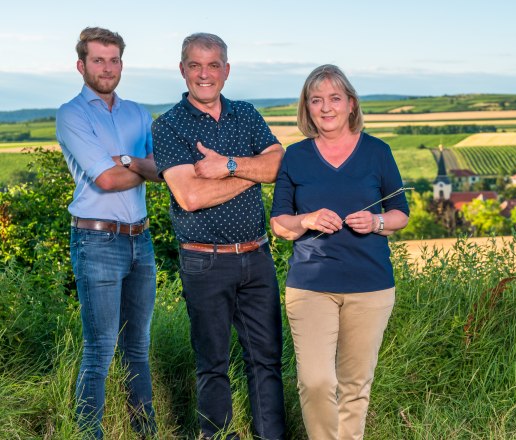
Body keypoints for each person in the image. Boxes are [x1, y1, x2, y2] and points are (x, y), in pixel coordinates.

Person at [152, 32, 285, 440]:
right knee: (212, 365)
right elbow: (190, 196)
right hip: (204, 261)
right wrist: (252, 171)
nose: (204, 74)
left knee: (267, 360)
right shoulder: (168, 125)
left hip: (257, 256)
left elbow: (279, 163)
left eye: (213, 65)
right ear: (182, 70)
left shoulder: (246, 113)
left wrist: (228, 165)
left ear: (227, 70)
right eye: (195, 65)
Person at [270, 64, 409, 440]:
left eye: (334, 98)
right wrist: (308, 219)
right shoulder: (295, 156)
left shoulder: (378, 152)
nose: (326, 107)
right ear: (307, 107)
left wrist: (376, 222)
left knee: (354, 385)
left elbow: (400, 214)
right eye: (316, 100)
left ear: (351, 104)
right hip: (310, 285)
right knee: (315, 381)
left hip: (371, 287)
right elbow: (280, 224)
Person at [56, 27, 162, 439]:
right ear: (81, 65)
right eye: (98, 60)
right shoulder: (72, 114)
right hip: (96, 241)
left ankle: (145, 432)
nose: (107, 68)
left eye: (114, 59)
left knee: (138, 347)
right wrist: (138, 166)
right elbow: (106, 180)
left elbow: (161, 171)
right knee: (100, 350)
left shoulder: (138, 113)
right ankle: (88, 434)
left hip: (141, 239)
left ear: (121, 64)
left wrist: (126, 160)